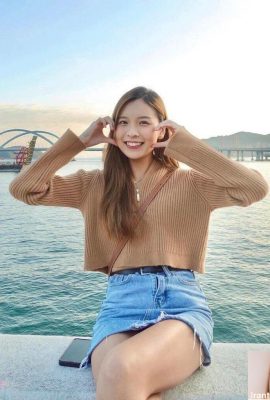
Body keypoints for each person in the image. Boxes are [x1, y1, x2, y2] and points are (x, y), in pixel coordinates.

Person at [9, 86, 269, 400]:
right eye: (123, 122)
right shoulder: (93, 184)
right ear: (112, 129)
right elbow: (23, 188)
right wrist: (78, 143)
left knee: (121, 368)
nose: (132, 132)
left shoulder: (192, 184)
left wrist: (186, 145)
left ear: (162, 129)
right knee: (124, 380)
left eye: (144, 122)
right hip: (119, 307)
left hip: (179, 304)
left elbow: (254, 187)